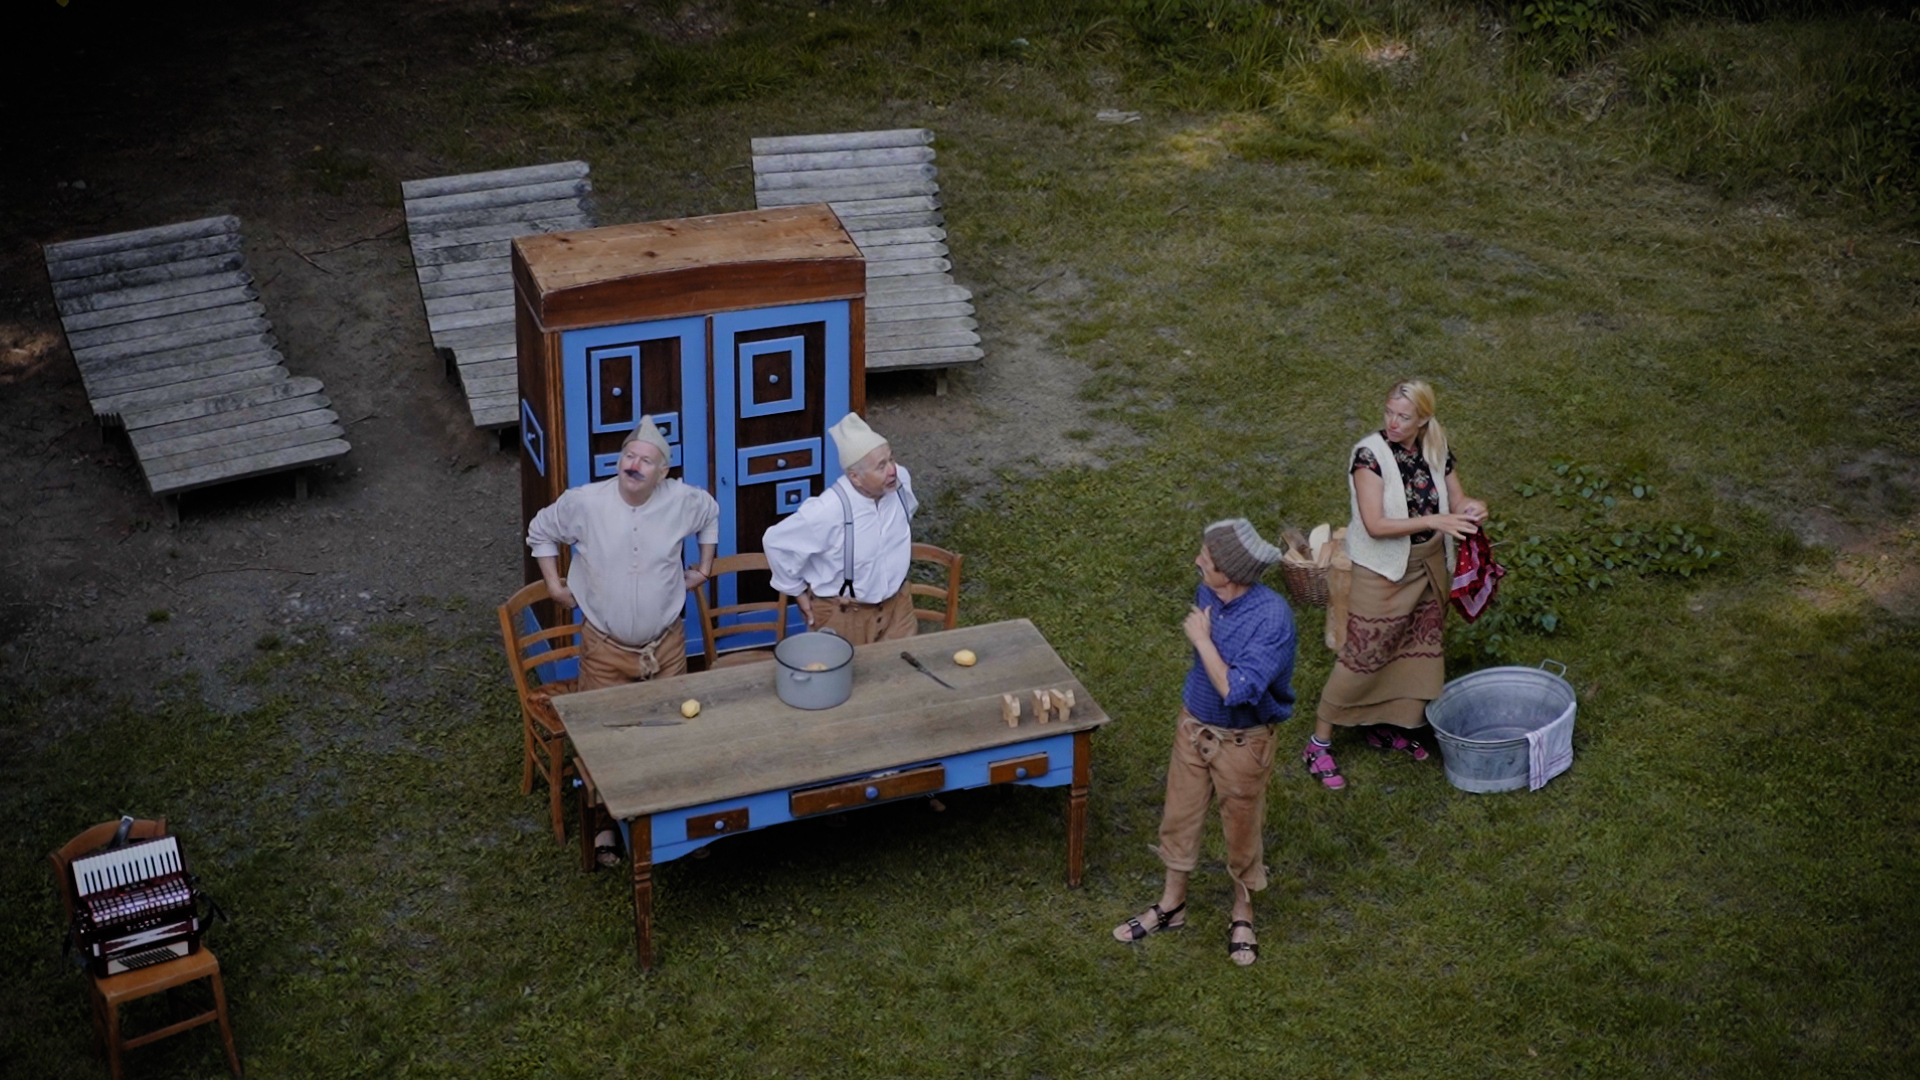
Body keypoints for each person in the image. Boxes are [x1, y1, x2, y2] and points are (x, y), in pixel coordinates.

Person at [1112, 519, 1295, 967]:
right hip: (1193, 728)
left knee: (1241, 831)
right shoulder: (1208, 594)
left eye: (1207, 560)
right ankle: (1172, 906)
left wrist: (1200, 638)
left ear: (1230, 574)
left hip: (1242, 742)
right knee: (1179, 817)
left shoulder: (1272, 619)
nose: (1197, 561)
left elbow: (1236, 691)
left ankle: (1243, 912)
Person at [1303, 379, 1489, 790]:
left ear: (1423, 418)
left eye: (1403, 416)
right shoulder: (1369, 456)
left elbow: (1456, 500)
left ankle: (1382, 723)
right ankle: (1319, 742)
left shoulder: (1435, 449)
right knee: (1364, 653)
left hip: (1427, 568)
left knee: (1412, 651)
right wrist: (1434, 521)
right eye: (1389, 412)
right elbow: (1375, 524)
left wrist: (1470, 508)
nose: (1393, 422)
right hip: (1383, 571)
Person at [525, 415, 718, 693]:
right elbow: (540, 531)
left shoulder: (681, 501)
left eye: (646, 461)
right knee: (603, 731)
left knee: (671, 726)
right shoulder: (586, 503)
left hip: (667, 649)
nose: (634, 466)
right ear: (619, 461)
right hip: (604, 654)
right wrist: (554, 587)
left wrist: (704, 569)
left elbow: (710, 513)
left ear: (662, 473)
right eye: (629, 456)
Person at [762, 412, 919, 645]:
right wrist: (796, 591)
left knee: (905, 676)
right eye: (881, 466)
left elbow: (907, 513)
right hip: (846, 616)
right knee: (845, 680)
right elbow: (776, 542)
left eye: (891, 459)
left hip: (897, 608)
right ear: (855, 477)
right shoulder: (828, 510)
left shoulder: (900, 482)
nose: (892, 470)